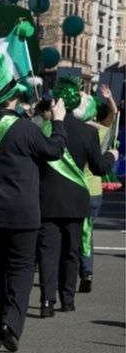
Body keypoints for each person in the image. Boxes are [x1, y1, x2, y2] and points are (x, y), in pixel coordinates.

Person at [0, 52, 67, 352]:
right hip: (21, 212)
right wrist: (57, 121)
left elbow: (5, 129)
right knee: (21, 269)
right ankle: (12, 324)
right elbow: (54, 150)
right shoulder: (25, 129)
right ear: (10, 96)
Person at [35, 78, 118, 317]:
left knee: (48, 253)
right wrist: (112, 155)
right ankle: (67, 299)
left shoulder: (43, 128)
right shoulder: (88, 132)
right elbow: (100, 167)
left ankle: (47, 302)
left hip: (47, 199)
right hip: (76, 200)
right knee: (71, 251)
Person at [78, 83, 120, 292]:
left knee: (74, 233)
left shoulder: (75, 132)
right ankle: (86, 271)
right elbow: (115, 112)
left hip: (76, 189)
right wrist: (110, 97)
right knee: (86, 233)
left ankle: (79, 270)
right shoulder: (103, 131)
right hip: (94, 190)